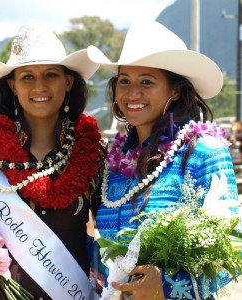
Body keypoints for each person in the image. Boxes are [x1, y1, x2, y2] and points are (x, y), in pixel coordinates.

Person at [87, 20, 239, 299]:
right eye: (124, 81)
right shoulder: (113, 163)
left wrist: (168, 286)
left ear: (175, 90)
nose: (132, 93)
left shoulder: (205, 152)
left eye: (147, 81)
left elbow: (232, 251)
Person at [0, 22, 106, 299]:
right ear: (12, 85)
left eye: (51, 75)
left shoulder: (93, 152)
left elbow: (117, 224)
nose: (39, 86)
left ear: (68, 82)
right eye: (27, 76)